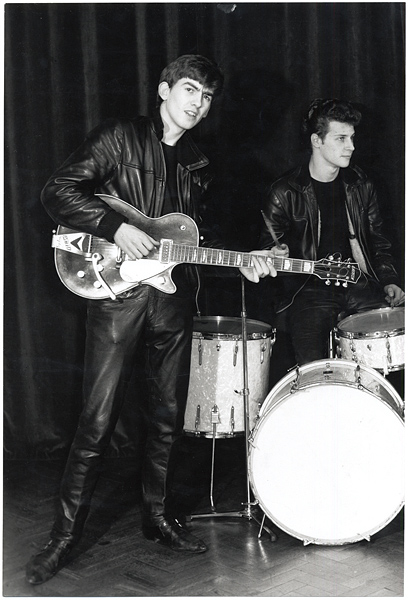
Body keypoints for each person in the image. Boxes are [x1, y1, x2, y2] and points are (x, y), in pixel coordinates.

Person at [25, 55, 276, 585]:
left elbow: (188, 245)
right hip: (118, 296)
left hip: (171, 299)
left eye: (206, 98)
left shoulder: (199, 165)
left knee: (166, 415)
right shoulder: (119, 138)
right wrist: (114, 227)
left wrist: (247, 261)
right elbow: (57, 191)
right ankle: (63, 537)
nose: (196, 103)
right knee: (97, 419)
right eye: (188, 90)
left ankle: (157, 518)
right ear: (164, 90)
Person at [259, 98, 404, 366]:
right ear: (317, 140)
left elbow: (379, 242)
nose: (351, 146)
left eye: (351, 137)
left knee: (392, 353)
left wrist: (390, 280)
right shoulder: (284, 192)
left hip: (361, 285)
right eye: (341, 138)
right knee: (316, 370)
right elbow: (269, 255)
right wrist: (278, 255)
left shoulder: (361, 185)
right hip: (308, 291)